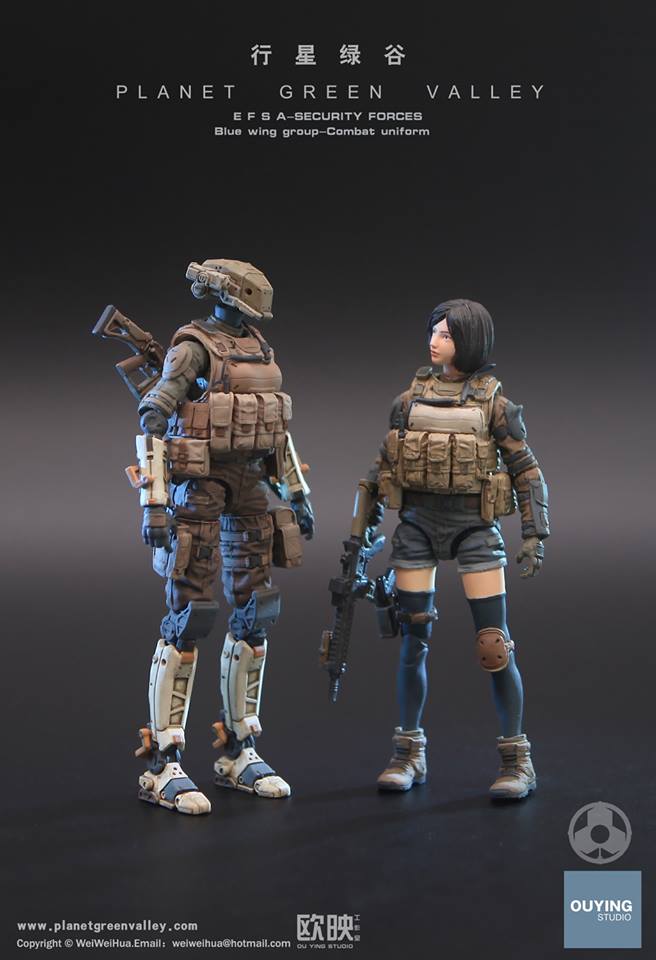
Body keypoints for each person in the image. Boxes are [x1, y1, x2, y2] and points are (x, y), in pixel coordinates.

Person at [125, 258, 314, 814]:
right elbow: (154, 419)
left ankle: (239, 750)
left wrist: (296, 491)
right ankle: (163, 762)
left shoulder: (260, 347)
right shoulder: (192, 348)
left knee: (255, 612)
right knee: (191, 613)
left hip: (250, 484)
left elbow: (275, 431)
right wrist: (155, 504)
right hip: (200, 484)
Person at [366, 298, 549, 799]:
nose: (434, 341)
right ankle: (408, 752)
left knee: (494, 645)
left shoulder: (494, 404)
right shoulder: (409, 400)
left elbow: (526, 470)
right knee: (412, 642)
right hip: (417, 526)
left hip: (473, 526)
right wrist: (361, 531)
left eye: (445, 334)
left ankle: (517, 760)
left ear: (468, 341)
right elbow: (383, 466)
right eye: (434, 331)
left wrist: (534, 533)